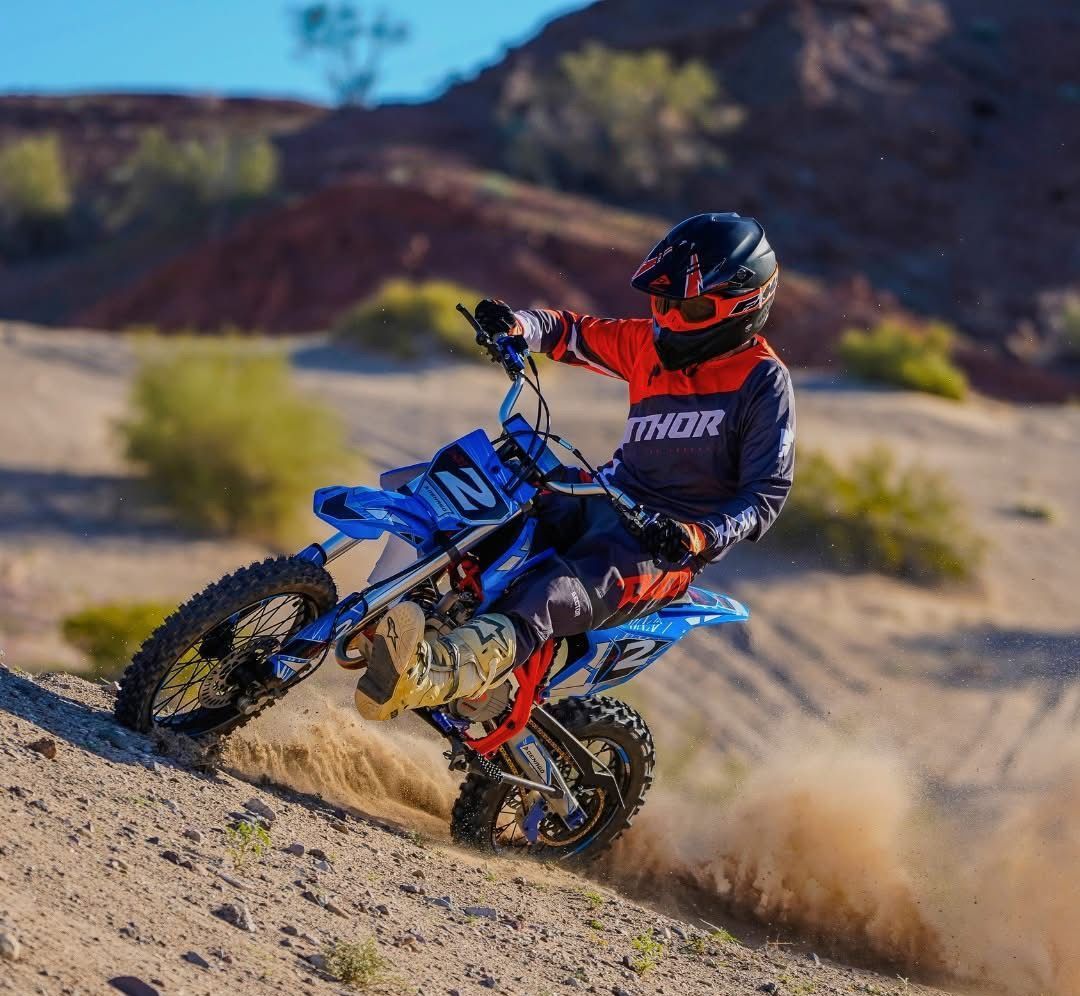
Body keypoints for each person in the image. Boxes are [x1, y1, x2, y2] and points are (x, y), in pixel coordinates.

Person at [355, 212, 795, 721]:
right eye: (663, 302)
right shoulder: (647, 343)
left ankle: (430, 674)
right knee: (490, 493)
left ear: (745, 306)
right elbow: (568, 331)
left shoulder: (763, 382)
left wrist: (696, 536)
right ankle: (389, 610)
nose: (670, 319)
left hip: (658, 547)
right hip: (599, 496)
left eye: (690, 308)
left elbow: (765, 496)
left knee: (548, 591)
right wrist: (517, 326)